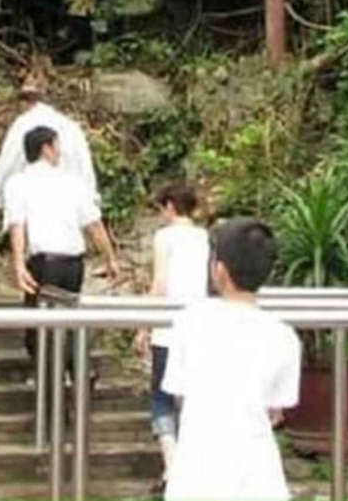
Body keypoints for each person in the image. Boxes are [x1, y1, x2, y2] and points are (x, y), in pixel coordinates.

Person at [161, 218, 301, 501]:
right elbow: (278, 406)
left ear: (219, 270)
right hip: (257, 470)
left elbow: (177, 388)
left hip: (197, 465)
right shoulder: (283, 335)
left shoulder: (190, 321)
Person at [6, 126, 121, 363]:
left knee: (39, 323)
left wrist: (18, 264)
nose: (60, 151)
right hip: (73, 264)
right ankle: (71, 370)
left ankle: (46, 372)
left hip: (44, 262)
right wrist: (110, 258)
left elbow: (17, 225)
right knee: (68, 320)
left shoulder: (18, 183)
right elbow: (94, 225)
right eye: (57, 145)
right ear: (46, 149)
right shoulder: (73, 182)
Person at [134, 180, 208, 488]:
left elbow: (160, 283)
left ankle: (173, 463)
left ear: (170, 206)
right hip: (198, 324)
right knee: (191, 394)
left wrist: (144, 326)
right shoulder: (204, 237)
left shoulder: (165, 237)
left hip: (168, 325)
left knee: (161, 394)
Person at [0, 73, 100, 211]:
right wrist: (91, 199)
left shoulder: (22, 125)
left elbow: (8, 162)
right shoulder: (71, 127)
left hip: (31, 202)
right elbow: (85, 169)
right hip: (69, 205)